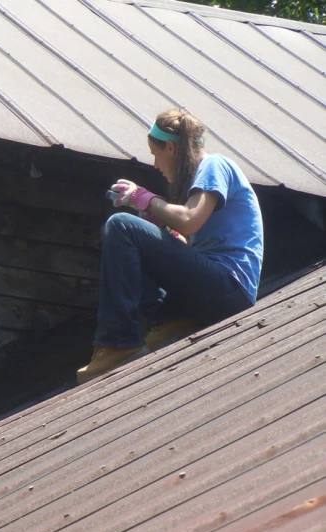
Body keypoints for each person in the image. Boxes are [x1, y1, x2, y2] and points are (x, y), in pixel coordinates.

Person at [78, 108, 264, 382]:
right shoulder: (199, 178)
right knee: (135, 236)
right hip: (216, 290)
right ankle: (169, 320)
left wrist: (145, 198)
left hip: (230, 286)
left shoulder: (214, 165)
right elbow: (189, 233)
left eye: (155, 154)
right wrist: (158, 221)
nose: (155, 164)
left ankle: (118, 342)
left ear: (170, 147)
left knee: (121, 225)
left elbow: (189, 220)